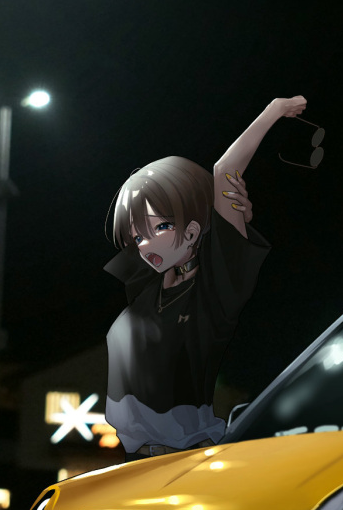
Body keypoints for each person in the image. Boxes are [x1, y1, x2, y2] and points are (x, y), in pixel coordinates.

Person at [103, 95, 307, 461]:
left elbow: (224, 171)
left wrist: (274, 111)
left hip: (186, 456)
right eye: (137, 235)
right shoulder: (147, 283)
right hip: (139, 460)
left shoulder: (214, 290)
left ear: (195, 231)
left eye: (161, 226)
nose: (145, 243)